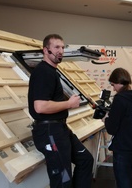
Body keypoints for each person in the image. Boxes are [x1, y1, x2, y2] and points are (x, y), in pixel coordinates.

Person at [28, 34, 94, 188]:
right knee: (63, 179)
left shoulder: (53, 72)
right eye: (56, 47)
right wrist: (69, 104)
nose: (61, 51)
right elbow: (40, 106)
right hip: (49, 130)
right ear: (46, 50)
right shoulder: (43, 72)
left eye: (63, 47)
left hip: (60, 128)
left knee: (85, 160)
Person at [102, 67, 132, 188]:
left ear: (118, 82)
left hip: (123, 150)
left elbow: (112, 129)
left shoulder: (120, 100)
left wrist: (106, 119)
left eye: (113, 85)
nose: (113, 88)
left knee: (124, 183)